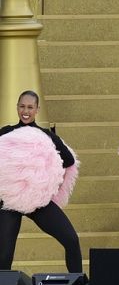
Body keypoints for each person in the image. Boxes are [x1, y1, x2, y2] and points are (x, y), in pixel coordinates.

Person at [0, 91, 82, 272]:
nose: (25, 111)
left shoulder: (46, 136)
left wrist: (47, 178)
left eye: (30, 107)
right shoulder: (6, 133)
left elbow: (68, 160)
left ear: (37, 109)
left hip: (38, 201)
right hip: (10, 202)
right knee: (4, 255)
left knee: (71, 239)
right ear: (17, 108)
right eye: (22, 106)